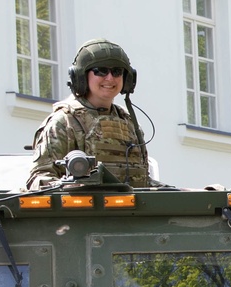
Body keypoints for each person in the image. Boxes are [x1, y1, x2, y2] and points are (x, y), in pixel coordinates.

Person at [26, 39, 152, 190]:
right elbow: (38, 179)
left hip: (131, 212)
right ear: (80, 76)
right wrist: (72, 187)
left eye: (117, 71)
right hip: (84, 212)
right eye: (100, 71)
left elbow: (142, 181)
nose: (110, 78)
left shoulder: (129, 123)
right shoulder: (65, 122)